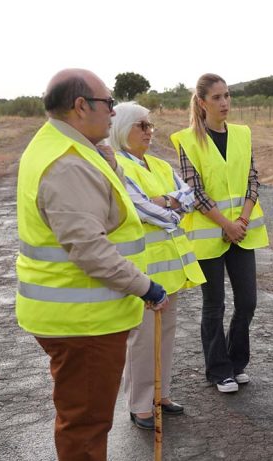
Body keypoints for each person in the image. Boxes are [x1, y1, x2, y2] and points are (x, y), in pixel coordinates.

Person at [15, 68, 169, 461]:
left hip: (82, 315)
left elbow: (102, 206)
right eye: (107, 103)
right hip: (81, 320)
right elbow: (90, 250)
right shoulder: (65, 163)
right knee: (84, 420)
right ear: (81, 106)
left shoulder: (68, 149)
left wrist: (107, 160)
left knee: (89, 413)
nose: (114, 111)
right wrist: (146, 287)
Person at [109, 102, 206, 429]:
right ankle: (140, 405)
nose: (150, 131)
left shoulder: (159, 165)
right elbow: (139, 210)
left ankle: (161, 394)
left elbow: (189, 196)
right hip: (143, 271)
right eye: (142, 125)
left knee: (165, 334)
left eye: (150, 125)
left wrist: (166, 204)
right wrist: (171, 205)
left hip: (171, 270)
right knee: (143, 339)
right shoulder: (120, 166)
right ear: (123, 129)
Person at [170, 73, 269, 394]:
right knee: (214, 305)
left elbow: (253, 179)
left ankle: (237, 362)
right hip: (209, 234)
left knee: (248, 302)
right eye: (217, 98)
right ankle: (218, 370)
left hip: (242, 231)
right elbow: (194, 191)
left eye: (227, 96)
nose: (225, 102)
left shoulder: (243, 134)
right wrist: (225, 224)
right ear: (202, 102)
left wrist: (240, 220)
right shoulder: (188, 140)